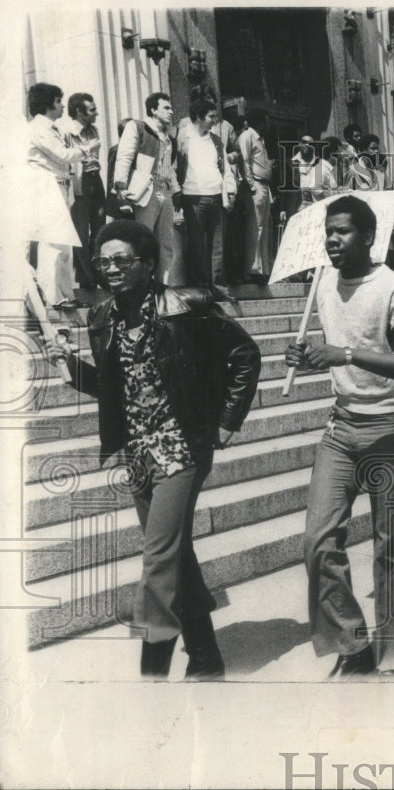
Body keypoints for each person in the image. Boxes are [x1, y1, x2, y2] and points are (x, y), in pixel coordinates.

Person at [44, 220, 261, 678]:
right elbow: (115, 387)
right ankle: (206, 658)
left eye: (123, 260)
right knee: (176, 555)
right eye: (104, 262)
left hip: (181, 448)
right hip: (137, 455)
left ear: (147, 263)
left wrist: (225, 423)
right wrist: (70, 367)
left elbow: (245, 355)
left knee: (158, 558)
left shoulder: (186, 304)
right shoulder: (102, 316)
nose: (112, 269)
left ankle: (152, 669)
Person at [284, 196, 394, 679]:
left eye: (343, 231)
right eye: (328, 231)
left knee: (390, 544)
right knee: (318, 541)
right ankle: (352, 640)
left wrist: (344, 354)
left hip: (390, 425)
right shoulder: (322, 284)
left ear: (369, 237)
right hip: (342, 426)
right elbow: (329, 352)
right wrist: (306, 355)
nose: (331, 239)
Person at [26, 82, 94, 309]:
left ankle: (65, 293)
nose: (62, 105)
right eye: (58, 101)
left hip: (60, 186)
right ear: (47, 103)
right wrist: (87, 149)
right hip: (46, 187)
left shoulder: (50, 127)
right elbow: (62, 155)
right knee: (53, 243)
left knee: (64, 243)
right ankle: (53, 297)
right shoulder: (38, 128)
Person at [113, 92, 183, 286]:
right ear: (153, 110)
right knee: (143, 240)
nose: (171, 112)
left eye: (171, 108)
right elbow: (124, 157)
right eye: (166, 108)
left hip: (164, 191)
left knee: (166, 243)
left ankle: (163, 287)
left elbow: (170, 168)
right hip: (145, 190)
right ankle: (140, 286)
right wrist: (121, 187)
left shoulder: (170, 138)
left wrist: (176, 190)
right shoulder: (137, 127)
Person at [176, 98, 237, 299]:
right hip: (193, 198)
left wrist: (229, 191)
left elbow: (226, 168)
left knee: (217, 245)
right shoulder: (183, 138)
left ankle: (218, 288)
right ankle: (199, 288)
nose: (215, 120)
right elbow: (174, 167)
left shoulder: (216, 140)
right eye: (211, 116)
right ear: (199, 117)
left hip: (217, 198)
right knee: (196, 244)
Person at [62, 92, 104, 291]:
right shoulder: (67, 132)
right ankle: (85, 279)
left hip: (96, 180)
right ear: (79, 111)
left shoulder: (93, 129)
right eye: (92, 110)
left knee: (99, 229)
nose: (96, 113)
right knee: (80, 234)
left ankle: (99, 273)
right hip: (79, 184)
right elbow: (65, 159)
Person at [237, 108, 274, 283]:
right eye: (266, 121)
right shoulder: (247, 136)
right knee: (255, 228)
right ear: (260, 120)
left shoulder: (261, 140)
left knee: (263, 229)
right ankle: (252, 270)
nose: (268, 125)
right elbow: (243, 161)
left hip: (264, 186)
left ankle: (263, 269)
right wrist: (251, 184)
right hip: (256, 187)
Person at [281, 135, 338, 220]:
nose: (307, 145)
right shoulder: (290, 163)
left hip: (315, 203)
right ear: (300, 144)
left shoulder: (319, 162)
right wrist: (282, 209)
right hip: (298, 205)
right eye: (304, 142)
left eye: (310, 143)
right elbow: (285, 187)